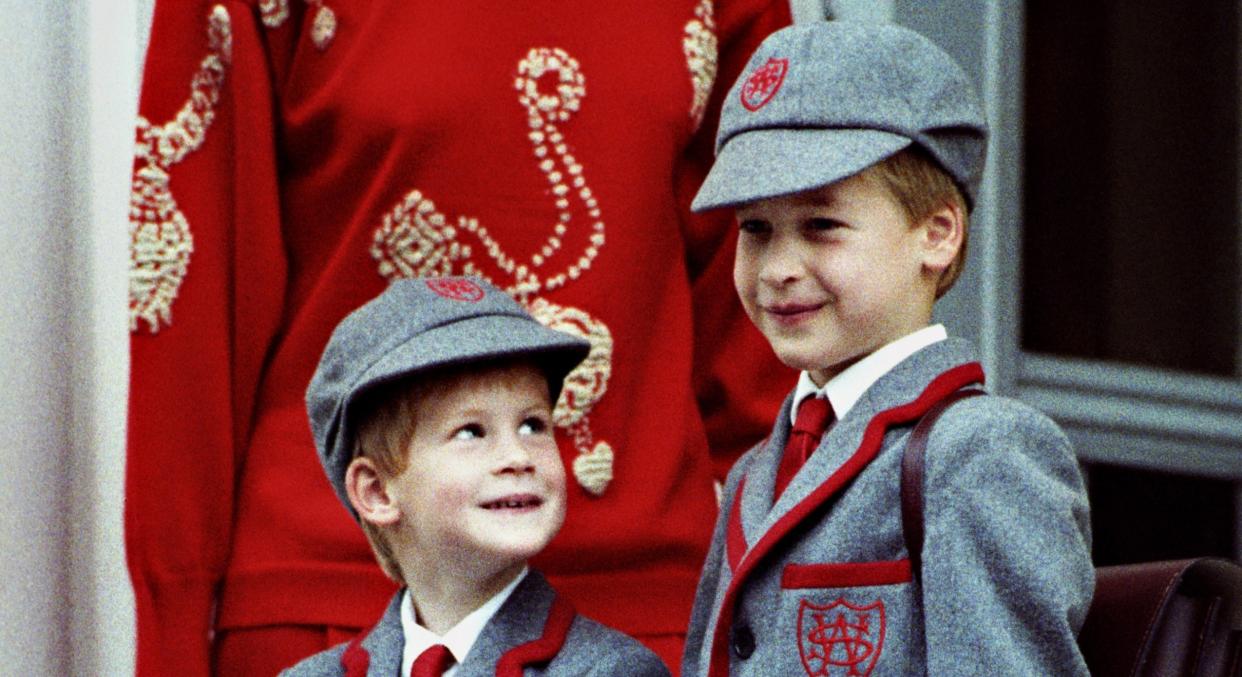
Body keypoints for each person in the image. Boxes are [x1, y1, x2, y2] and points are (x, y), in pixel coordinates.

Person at [126, 1, 793, 674]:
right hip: (333, 600)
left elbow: (761, 341)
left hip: (648, 605)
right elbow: (192, 302)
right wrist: (172, 629)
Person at [680, 21, 1094, 676]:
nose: (778, 266)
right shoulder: (754, 473)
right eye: (755, 228)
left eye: (822, 225)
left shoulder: (979, 452)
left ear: (937, 234)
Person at [280, 276, 669, 676]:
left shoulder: (614, 670)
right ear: (377, 491)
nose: (518, 456)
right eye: (471, 432)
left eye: (533, 425)